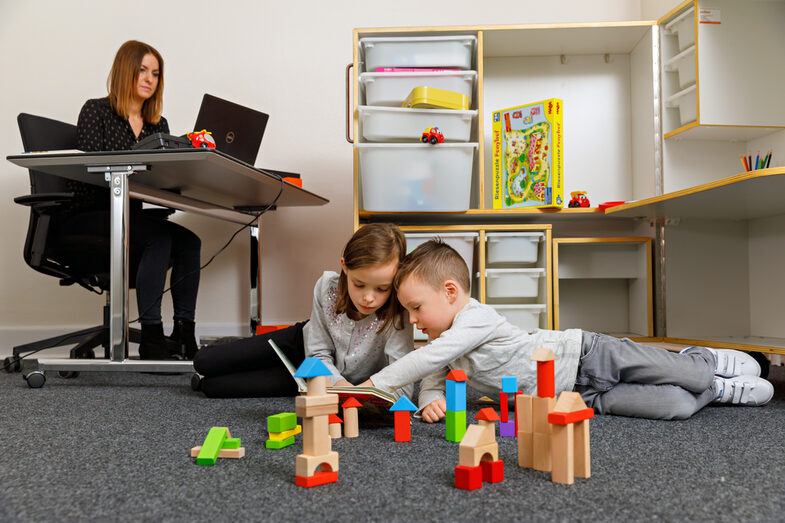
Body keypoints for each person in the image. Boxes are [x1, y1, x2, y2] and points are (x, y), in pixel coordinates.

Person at [360, 240, 774, 422]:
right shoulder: (444, 344)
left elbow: (429, 359)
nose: (413, 321)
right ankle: (719, 392)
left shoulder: (474, 318)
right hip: (581, 396)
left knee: (691, 375)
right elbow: (433, 376)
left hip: (589, 353)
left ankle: (706, 361)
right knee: (677, 406)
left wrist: (374, 384)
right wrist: (431, 400)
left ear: (450, 292)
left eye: (416, 308)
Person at [61, 40, 201, 359]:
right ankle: (151, 335)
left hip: (130, 216)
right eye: (142, 70)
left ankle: (184, 332)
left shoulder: (158, 126)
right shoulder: (97, 111)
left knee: (189, 241)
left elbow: (163, 180)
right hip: (89, 212)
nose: (149, 78)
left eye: (155, 73)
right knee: (160, 237)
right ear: (126, 70)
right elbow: (94, 170)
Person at [193, 223, 415, 398]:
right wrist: (340, 384)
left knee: (213, 387)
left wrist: (350, 389)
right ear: (345, 266)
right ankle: (228, 344)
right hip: (301, 344)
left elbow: (403, 376)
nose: (369, 298)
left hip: (316, 374)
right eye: (359, 284)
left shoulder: (399, 310)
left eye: (382, 289)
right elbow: (317, 351)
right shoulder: (327, 286)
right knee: (204, 361)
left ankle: (203, 380)